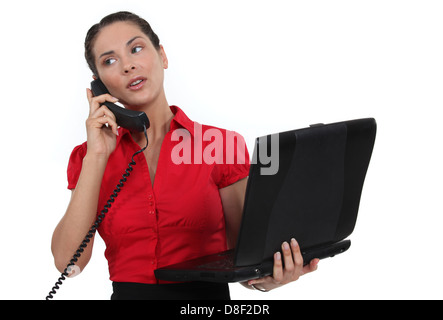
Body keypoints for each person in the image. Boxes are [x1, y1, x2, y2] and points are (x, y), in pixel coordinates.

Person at [51, 11, 319, 300]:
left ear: (162, 56)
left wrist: (270, 279)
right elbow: (69, 264)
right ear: (98, 85)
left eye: (136, 49)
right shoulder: (89, 157)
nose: (128, 65)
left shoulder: (221, 146)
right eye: (110, 60)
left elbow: (247, 261)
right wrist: (97, 156)